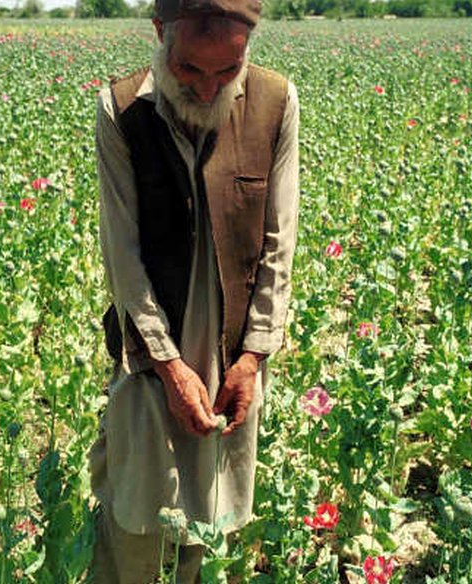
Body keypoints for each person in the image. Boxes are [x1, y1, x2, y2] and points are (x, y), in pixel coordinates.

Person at [88, 0, 300, 581]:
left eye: (226, 72)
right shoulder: (122, 108)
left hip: (234, 355)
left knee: (219, 514)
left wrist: (253, 357)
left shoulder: (276, 103)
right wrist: (169, 365)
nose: (208, 90)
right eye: (189, 70)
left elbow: (278, 245)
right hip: (151, 352)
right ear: (160, 34)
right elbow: (122, 256)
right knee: (137, 510)